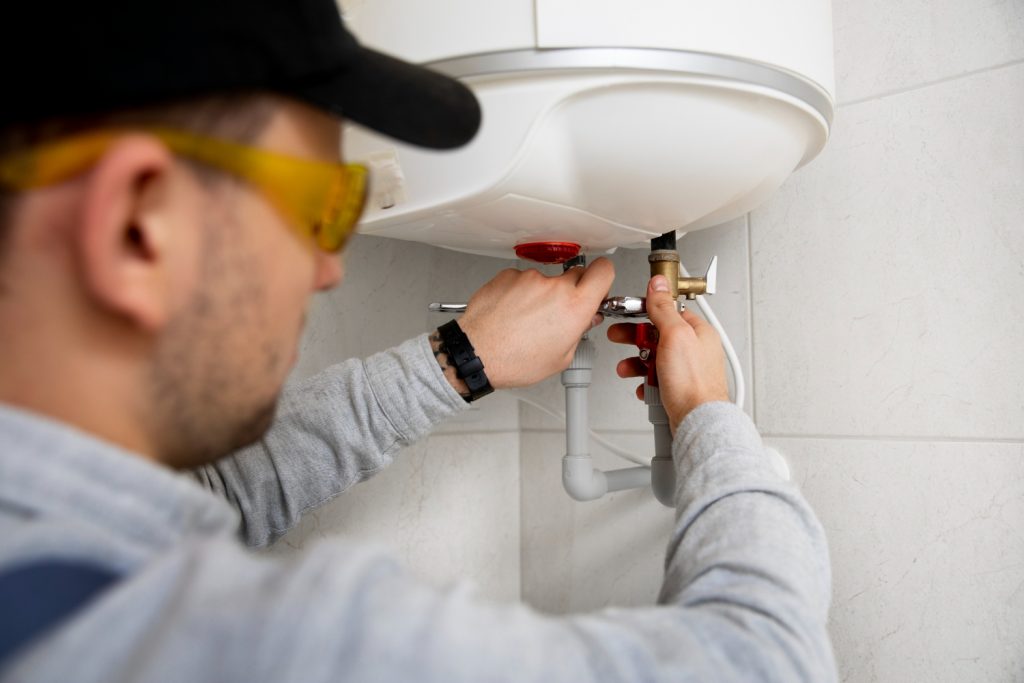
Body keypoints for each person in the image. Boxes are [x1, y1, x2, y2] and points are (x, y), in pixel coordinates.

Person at [0, 0, 836, 680]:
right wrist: (710, 419)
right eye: (319, 208)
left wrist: (459, 359)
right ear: (138, 226)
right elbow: (764, 662)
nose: (328, 269)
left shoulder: (55, 549)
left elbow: (221, 498)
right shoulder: (219, 645)